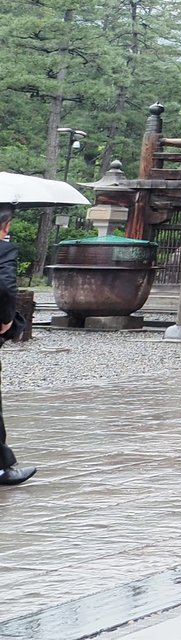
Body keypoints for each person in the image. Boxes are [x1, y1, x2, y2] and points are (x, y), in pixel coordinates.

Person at [0, 206, 33, 485]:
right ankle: (0, 467)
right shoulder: (3, 250)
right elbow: (5, 288)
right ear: (5, 226)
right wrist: (5, 319)